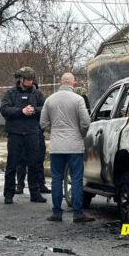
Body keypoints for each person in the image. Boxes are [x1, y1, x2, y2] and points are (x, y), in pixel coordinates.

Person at [40, 72, 93, 223]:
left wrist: (54, 131)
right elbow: (85, 122)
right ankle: (78, 213)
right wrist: (80, 134)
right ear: (73, 83)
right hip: (75, 146)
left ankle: (56, 213)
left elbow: (43, 123)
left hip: (57, 145)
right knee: (76, 179)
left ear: (61, 82)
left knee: (56, 178)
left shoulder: (49, 100)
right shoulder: (78, 99)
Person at [0, 67, 47, 204]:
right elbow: (4, 109)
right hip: (15, 134)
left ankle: (35, 192)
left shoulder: (37, 93)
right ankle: (8, 194)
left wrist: (34, 110)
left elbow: (45, 108)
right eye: (28, 79)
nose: (30, 82)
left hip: (32, 133)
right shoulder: (11, 93)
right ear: (21, 79)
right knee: (12, 164)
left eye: (32, 80)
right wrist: (21, 111)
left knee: (34, 163)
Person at [15, 128, 51, 194]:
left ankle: (41, 184)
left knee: (39, 160)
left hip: (37, 131)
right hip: (23, 131)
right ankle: (20, 185)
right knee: (21, 159)